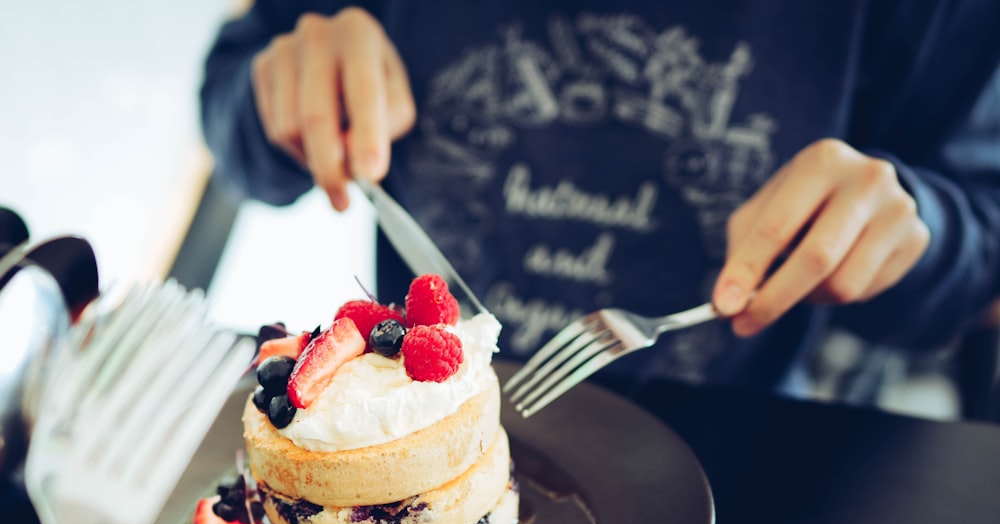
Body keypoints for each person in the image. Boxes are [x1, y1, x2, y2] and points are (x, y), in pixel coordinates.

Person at [199, 1, 1000, 397]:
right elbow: (234, 111)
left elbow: (980, 247)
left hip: (735, 470)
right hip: (430, 411)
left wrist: (915, 235)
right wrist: (278, 95)